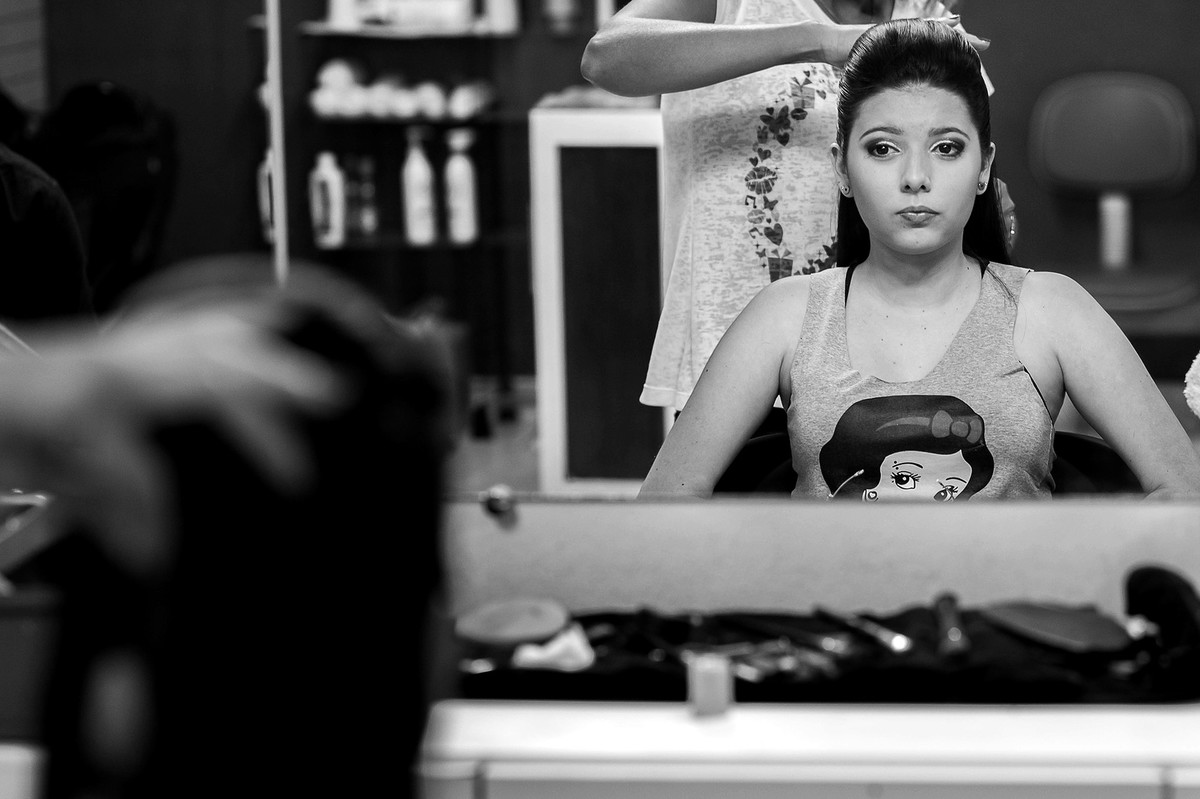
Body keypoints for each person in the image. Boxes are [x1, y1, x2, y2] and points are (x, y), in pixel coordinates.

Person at [639, 18, 1200, 501]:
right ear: (842, 169)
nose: (915, 177)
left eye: (946, 148)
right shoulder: (783, 315)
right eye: (883, 148)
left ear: (984, 168)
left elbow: (1184, 492)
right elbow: (663, 506)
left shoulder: (1052, 308)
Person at [581, 0, 995, 423]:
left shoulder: (924, 12)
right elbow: (606, 56)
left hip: (883, 375)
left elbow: (966, 164)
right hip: (730, 375)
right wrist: (821, 41)